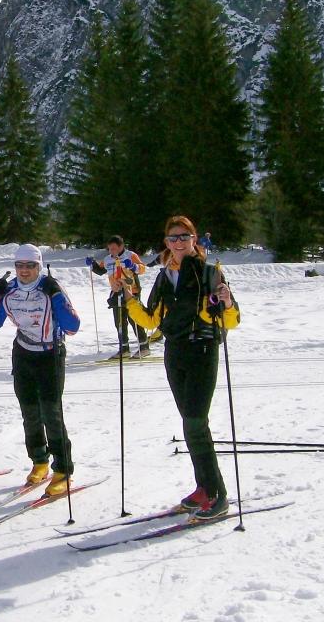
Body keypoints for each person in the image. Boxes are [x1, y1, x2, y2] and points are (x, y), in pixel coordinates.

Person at [123, 216, 240, 520]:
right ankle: (203, 488)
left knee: (196, 422)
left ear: (194, 239)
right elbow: (151, 320)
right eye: (173, 238)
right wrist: (130, 299)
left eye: (184, 237)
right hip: (174, 352)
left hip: (202, 349)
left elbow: (231, 320)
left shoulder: (210, 272)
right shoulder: (164, 277)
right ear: (166, 242)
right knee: (190, 424)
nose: (178, 243)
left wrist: (226, 303)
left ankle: (217, 495)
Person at [0, 244, 80, 497]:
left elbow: (72, 326)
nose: (24, 271)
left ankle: (63, 469)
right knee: (30, 411)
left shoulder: (50, 288)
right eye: (20, 265)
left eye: (30, 266)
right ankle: (39, 460)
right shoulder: (10, 291)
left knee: (51, 413)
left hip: (50, 353)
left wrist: (56, 296)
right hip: (23, 353)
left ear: (39, 265)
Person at [86, 235, 149, 358]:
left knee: (134, 318)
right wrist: (92, 264)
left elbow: (142, 269)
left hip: (131, 291)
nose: (112, 251)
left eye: (114, 248)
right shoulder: (108, 259)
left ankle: (144, 347)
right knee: (119, 321)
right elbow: (101, 270)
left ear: (121, 246)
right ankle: (124, 348)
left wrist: (133, 266)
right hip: (116, 292)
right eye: (110, 249)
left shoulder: (130, 255)